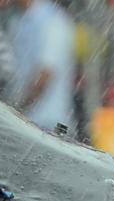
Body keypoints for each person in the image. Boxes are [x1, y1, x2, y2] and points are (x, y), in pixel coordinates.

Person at [7, 0, 76, 131]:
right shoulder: (17, 18)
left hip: (50, 125)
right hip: (28, 123)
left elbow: (45, 76)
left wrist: (15, 111)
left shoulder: (53, 21)